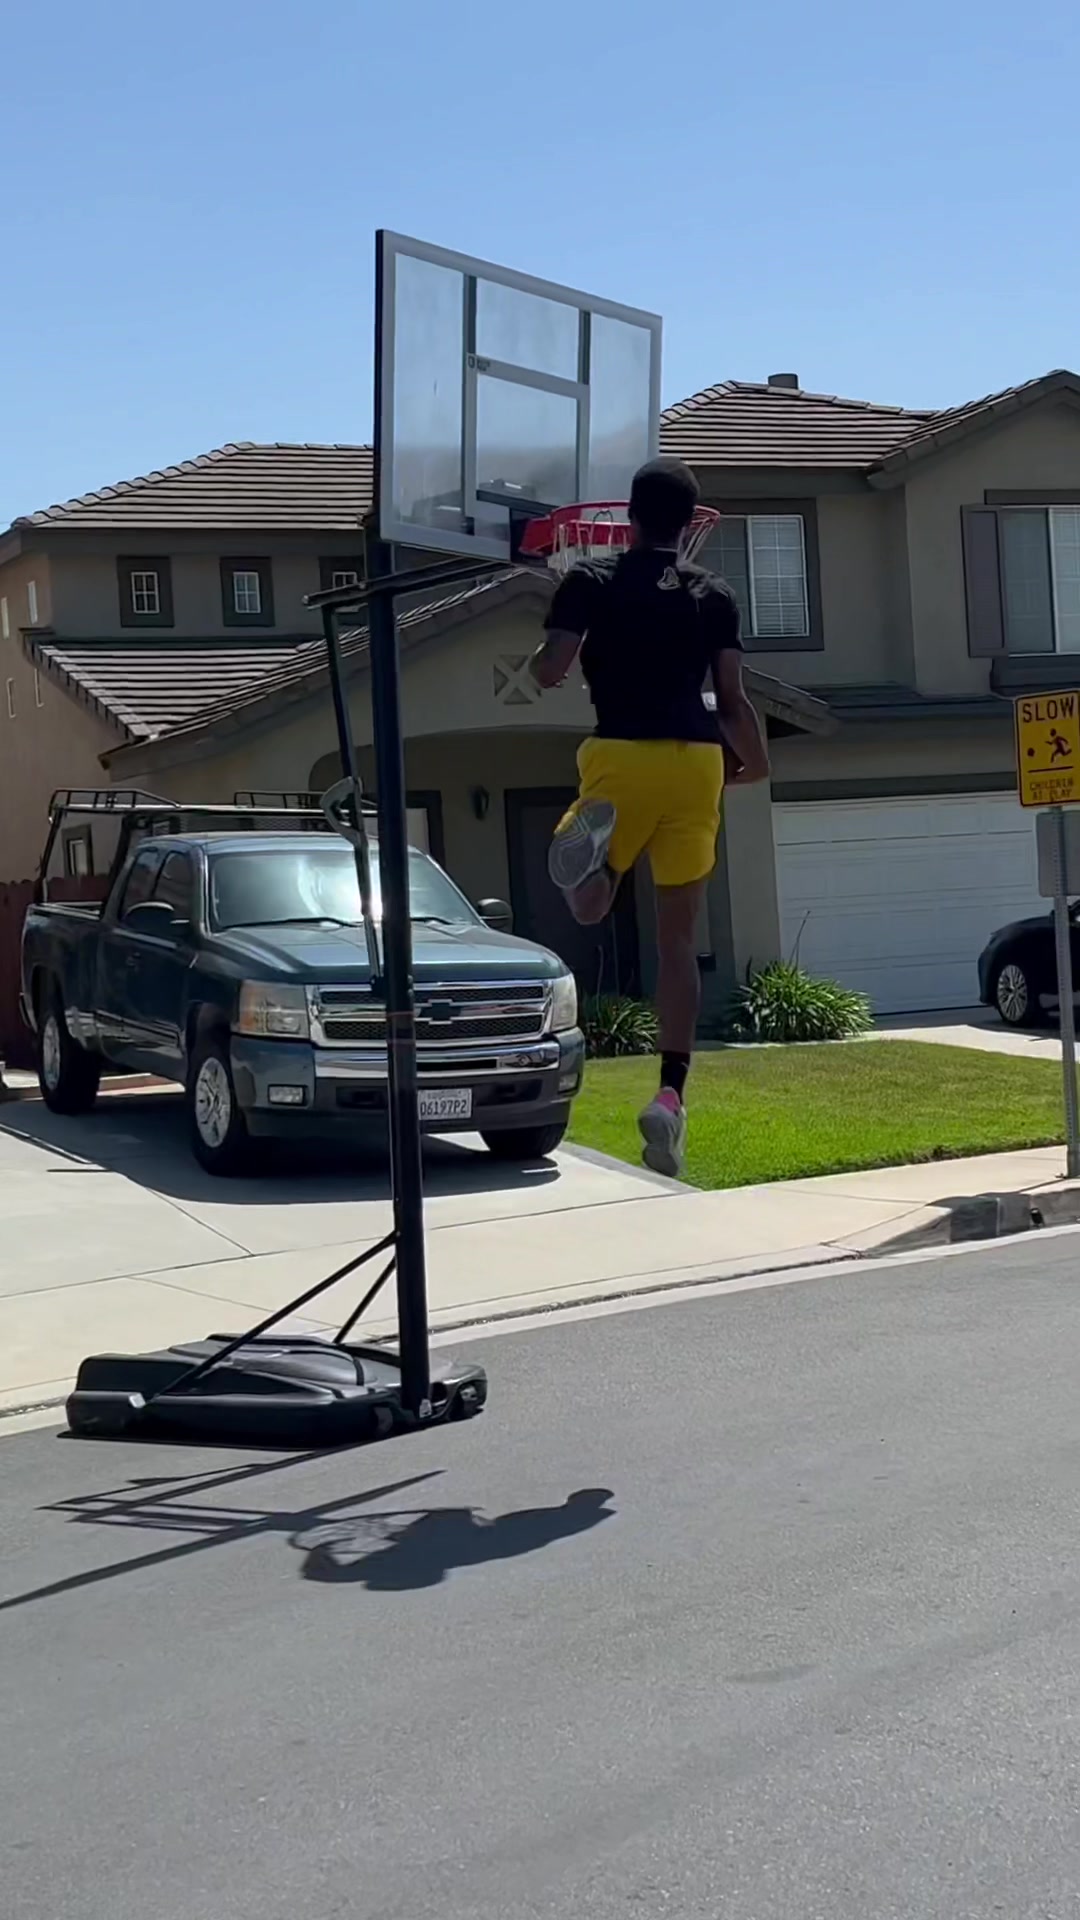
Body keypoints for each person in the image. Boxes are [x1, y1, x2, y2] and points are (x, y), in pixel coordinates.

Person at [528, 456, 770, 1177]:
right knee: (678, 941)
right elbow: (732, 698)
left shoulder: (591, 578)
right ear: (691, 523)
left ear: (628, 518)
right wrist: (753, 763)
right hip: (697, 761)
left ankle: (592, 856)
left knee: (589, 903)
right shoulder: (713, 593)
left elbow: (550, 669)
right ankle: (670, 1095)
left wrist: (548, 643)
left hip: (621, 754)